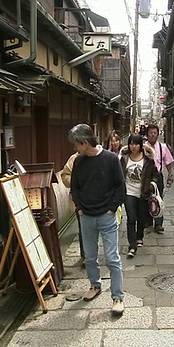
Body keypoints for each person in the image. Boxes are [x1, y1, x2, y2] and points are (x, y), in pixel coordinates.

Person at [68, 123, 126, 316]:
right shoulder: (79, 162)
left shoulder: (110, 159)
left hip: (106, 216)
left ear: (85, 143)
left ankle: (117, 297)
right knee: (90, 257)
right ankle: (95, 285)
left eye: (76, 144)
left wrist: (112, 208)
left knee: (112, 258)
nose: (75, 148)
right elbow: (74, 187)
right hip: (86, 216)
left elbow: (120, 186)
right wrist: (80, 207)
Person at [119, 134, 157, 258]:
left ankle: (139, 236)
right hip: (128, 192)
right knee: (131, 219)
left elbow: (155, 175)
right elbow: (119, 174)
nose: (133, 146)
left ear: (140, 145)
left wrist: (151, 186)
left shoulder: (147, 160)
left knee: (141, 218)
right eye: (131, 143)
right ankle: (132, 246)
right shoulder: (124, 159)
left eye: (136, 144)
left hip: (143, 193)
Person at [144, 124, 174, 234]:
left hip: (158, 175)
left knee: (158, 198)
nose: (152, 135)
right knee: (145, 198)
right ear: (147, 134)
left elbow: (168, 162)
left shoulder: (163, 147)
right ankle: (148, 221)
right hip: (145, 177)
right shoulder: (143, 147)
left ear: (158, 134)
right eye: (150, 132)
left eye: (155, 133)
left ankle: (158, 224)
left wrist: (170, 173)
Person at [59, 151, 85, 267]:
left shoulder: (99, 156)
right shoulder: (74, 158)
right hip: (80, 199)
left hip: (98, 198)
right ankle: (85, 255)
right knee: (83, 227)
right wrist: (76, 182)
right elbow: (65, 176)